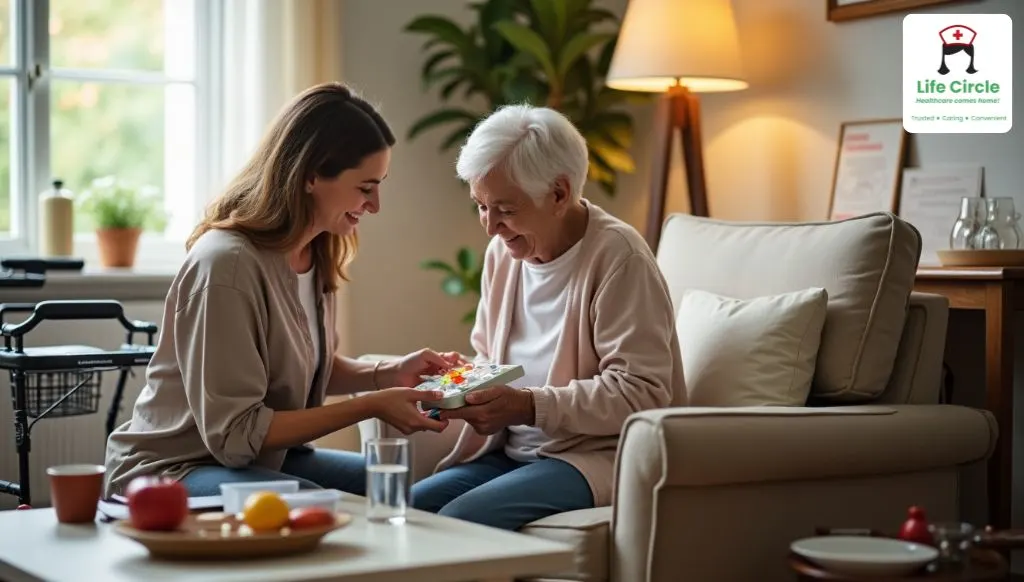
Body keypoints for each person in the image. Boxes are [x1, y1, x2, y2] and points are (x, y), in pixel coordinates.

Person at [104, 82, 457, 498]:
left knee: (397, 488)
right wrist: (370, 404)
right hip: (176, 468)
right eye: (365, 188)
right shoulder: (226, 266)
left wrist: (388, 373)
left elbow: (304, 366)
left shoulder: (317, 250)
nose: (376, 205)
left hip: (259, 461)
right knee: (326, 505)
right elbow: (235, 432)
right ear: (311, 175)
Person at [408, 105, 686, 531]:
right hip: (514, 452)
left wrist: (528, 406)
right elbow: (491, 356)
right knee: (412, 511)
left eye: (504, 208)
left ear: (559, 193)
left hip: (594, 456)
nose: (490, 227)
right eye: (481, 206)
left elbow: (643, 393)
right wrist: (461, 386)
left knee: (462, 522)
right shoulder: (504, 253)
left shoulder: (619, 257)